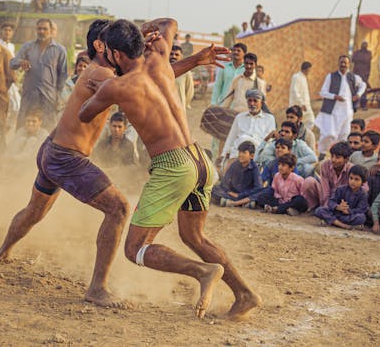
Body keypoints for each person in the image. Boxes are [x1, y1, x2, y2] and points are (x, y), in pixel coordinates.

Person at [0, 18, 230, 311]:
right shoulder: (104, 75)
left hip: (53, 151)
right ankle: (97, 288)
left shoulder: (106, 73)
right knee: (118, 208)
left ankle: (2, 252)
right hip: (66, 157)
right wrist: (181, 57)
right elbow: (152, 85)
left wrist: (145, 43)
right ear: (104, 48)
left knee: (35, 210)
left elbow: (150, 82)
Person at [78, 18, 260, 319]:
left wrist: (99, 88)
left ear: (117, 55)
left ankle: (203, 272)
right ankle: (244, 294)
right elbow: (169, 22)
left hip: (174, 165)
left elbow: (85, 114)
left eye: (108, 51)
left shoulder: (117, 86)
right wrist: (143, 32)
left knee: (135, 247)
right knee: (194, 237)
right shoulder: (160, 54)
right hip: (199, 159)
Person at [11, 19, 68, 129]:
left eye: (45, 29)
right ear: (36, 30)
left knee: (48, 129)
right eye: (39, 29)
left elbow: (63, 75)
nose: (41, 31)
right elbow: (12, 63)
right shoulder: (28, 47)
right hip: (29, 95)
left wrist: (59, 97)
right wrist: (21, 62)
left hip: (49, 97)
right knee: (23, 126)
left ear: (51, 30)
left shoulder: (60, 50)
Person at [315, 55, 367, 155]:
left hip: (347, 111)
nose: (343, 64)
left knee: (345, 135)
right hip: (332, 111)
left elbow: (363, 85)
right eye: (341, 62)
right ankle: (322, 152)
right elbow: (322, 92)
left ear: (349, 64)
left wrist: (358, 95)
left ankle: (341, 155)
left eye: (345, 63)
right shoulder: (331, 76)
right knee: (328, 134)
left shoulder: (353, 77)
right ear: (338, 64)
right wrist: (334, 96)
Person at [220, 88, 275, 169]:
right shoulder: (239, 117)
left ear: (262, 102)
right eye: (249, 100)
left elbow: (269, 142)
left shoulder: (269, 118)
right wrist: (223, 155)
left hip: (257, 155)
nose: (252, 103)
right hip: (238, 154)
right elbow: (231, 138)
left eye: (255, 101)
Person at [314, 165, 369, 229]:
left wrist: (348, 211)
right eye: (351, 178)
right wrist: (338, 207)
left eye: (356, 179)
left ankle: (332, 222)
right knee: (320, 210)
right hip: (337, 213)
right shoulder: (341, 189)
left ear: (363, 181)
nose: (353, 181)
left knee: (361, 217)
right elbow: (331, 201)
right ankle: (342, 225)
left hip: (349, 216)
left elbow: (361, 209)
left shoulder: (363, 194)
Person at [212, 142, 263, 207]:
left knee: (261, 193)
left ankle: (232, 203)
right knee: (213, 188)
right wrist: (229, 192)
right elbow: (224, 182)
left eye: (244, 153)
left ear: (252, 156)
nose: (240, 155)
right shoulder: (235, 164)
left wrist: (240, 195)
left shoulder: (255, 168)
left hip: (246, 195)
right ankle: (244, 204)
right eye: (239, 152)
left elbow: (258, 188)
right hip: (232, 194)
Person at [307, 141, 354, 208]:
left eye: (337, 157)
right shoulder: (325, 165)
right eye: (332, 156)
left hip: (343, 200)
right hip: (326, 197)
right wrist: (327, 205)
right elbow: (325, 190)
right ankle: (313, 207)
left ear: (346, 159)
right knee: (309, 181)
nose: (333, 160)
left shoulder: (351, 169)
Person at [211, 42, 246, 108]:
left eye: (238, 51)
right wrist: (213, 102)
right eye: (234, 50)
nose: (235, 52)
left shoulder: (247, 70)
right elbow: (218, 85)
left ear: (244, 54)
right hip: (224, 104)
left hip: (240, 106)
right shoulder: (224, 67)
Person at [288, 61, 315, 130]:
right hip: (298, 106)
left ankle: (302, 136)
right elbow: (295, 91)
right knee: (295, 124)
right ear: (305, 69)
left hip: (306, 105)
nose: (310, 72)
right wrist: (301, 104)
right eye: (309, 70)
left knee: (311, 121)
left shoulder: (304, 78)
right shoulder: (296, 77)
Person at [169, 45, 194, 114]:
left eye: (177, 54)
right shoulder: (160, 70)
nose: (173, 56)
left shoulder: (186, 72)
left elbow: (190, 91)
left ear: (181, 57)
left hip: (179, 110)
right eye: (171, 54)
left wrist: (183, 105)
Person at [352, 41, 372, 110]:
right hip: (356, 72)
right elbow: (353, 59)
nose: (364, 46)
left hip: (365, 73)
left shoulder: (369, 53)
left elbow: (368, 62)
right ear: (361, 45)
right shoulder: (356, 52)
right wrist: (361, 60)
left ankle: (363, 105)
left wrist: (368, 73)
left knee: (364, 89)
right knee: (355, 88)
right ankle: (354, 104)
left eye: (365, 45)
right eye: (363, 44)